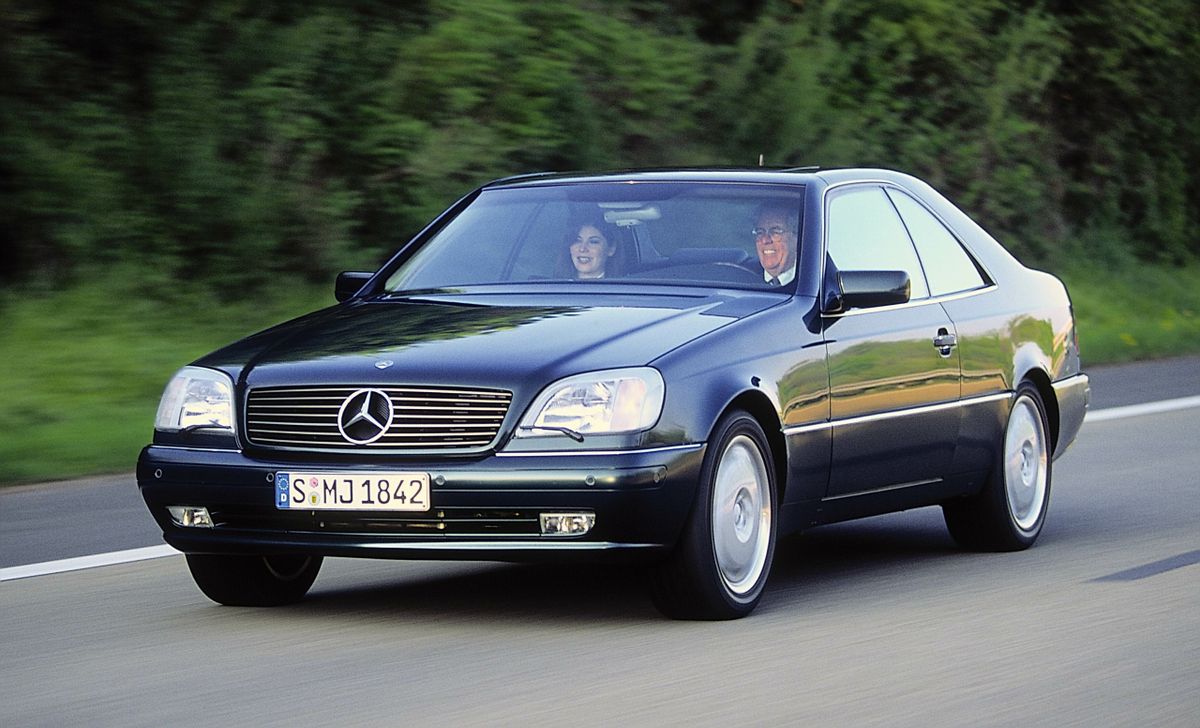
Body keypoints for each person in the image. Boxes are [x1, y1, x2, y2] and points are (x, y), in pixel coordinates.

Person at [557, 215, 624, 279]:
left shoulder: (623, 289)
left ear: (611, 249)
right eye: (577, 241)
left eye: (593, 242)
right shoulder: (553, 287)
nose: (582, 249)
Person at [753, 204, 799, 286]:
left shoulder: (814, 282)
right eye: (760, 232)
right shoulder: (741, 279)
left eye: (775, 232)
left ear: (796, 237)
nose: (765, 240)